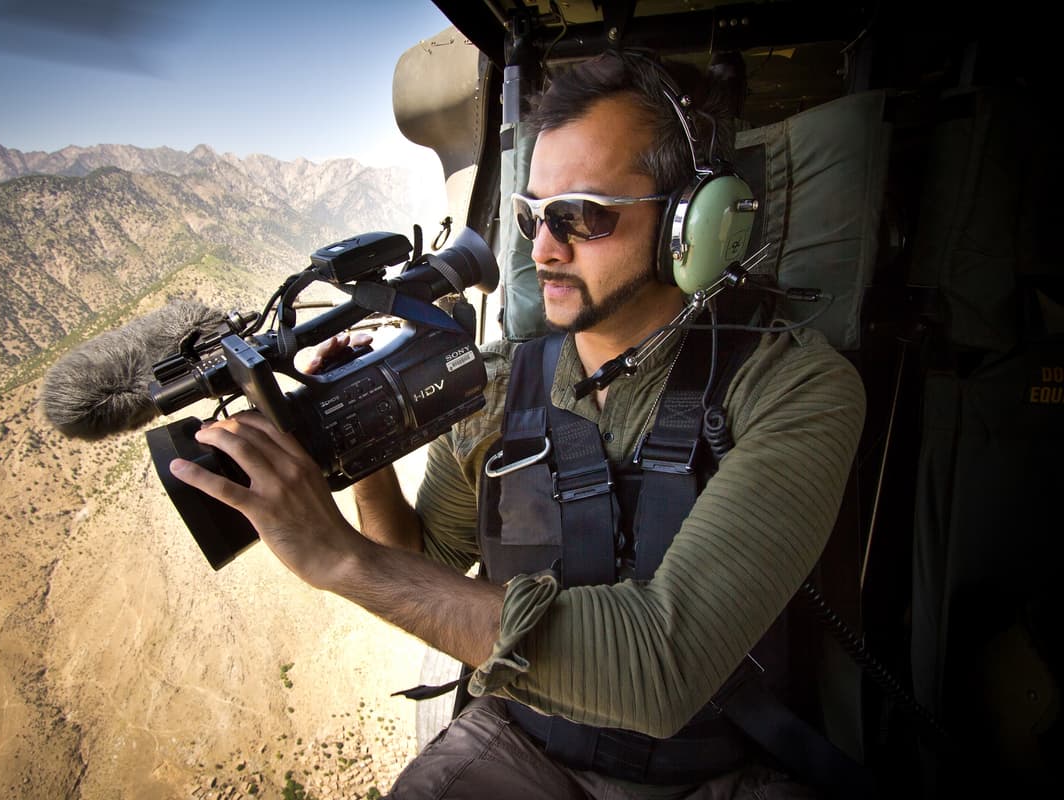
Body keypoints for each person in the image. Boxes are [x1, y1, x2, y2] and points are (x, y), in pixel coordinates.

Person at [169, 50, 866, 799]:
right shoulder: (497, 386)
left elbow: (663, 668)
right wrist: (364, 450)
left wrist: (342, 561)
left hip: (714, 771)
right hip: (523, 744)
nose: (541, 250)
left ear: (686, 220)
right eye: (534, 215)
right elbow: (422, 558)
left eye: (582, 216)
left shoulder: (794, 388)